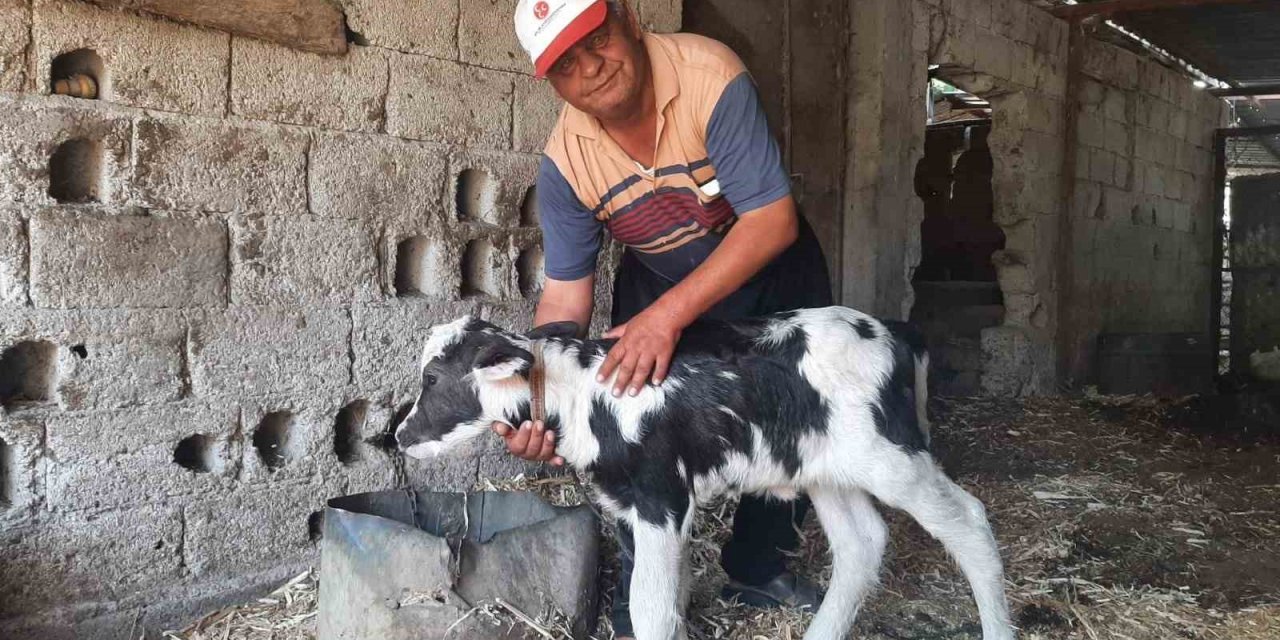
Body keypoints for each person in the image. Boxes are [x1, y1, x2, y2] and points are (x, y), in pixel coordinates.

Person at [503, 1, 833, 636]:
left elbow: (771, 221)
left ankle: (758, 565)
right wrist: (534, 401)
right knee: (632, 416)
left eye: (596, 39)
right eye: (568, 64)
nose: (592, 68)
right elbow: (565, 303)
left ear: (626, 16)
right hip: (658, 274)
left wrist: (668, 319)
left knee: (790, 410)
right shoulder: (565, 165)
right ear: (552, 82)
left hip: (767, 263)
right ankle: (643, 594)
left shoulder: (710, 75)